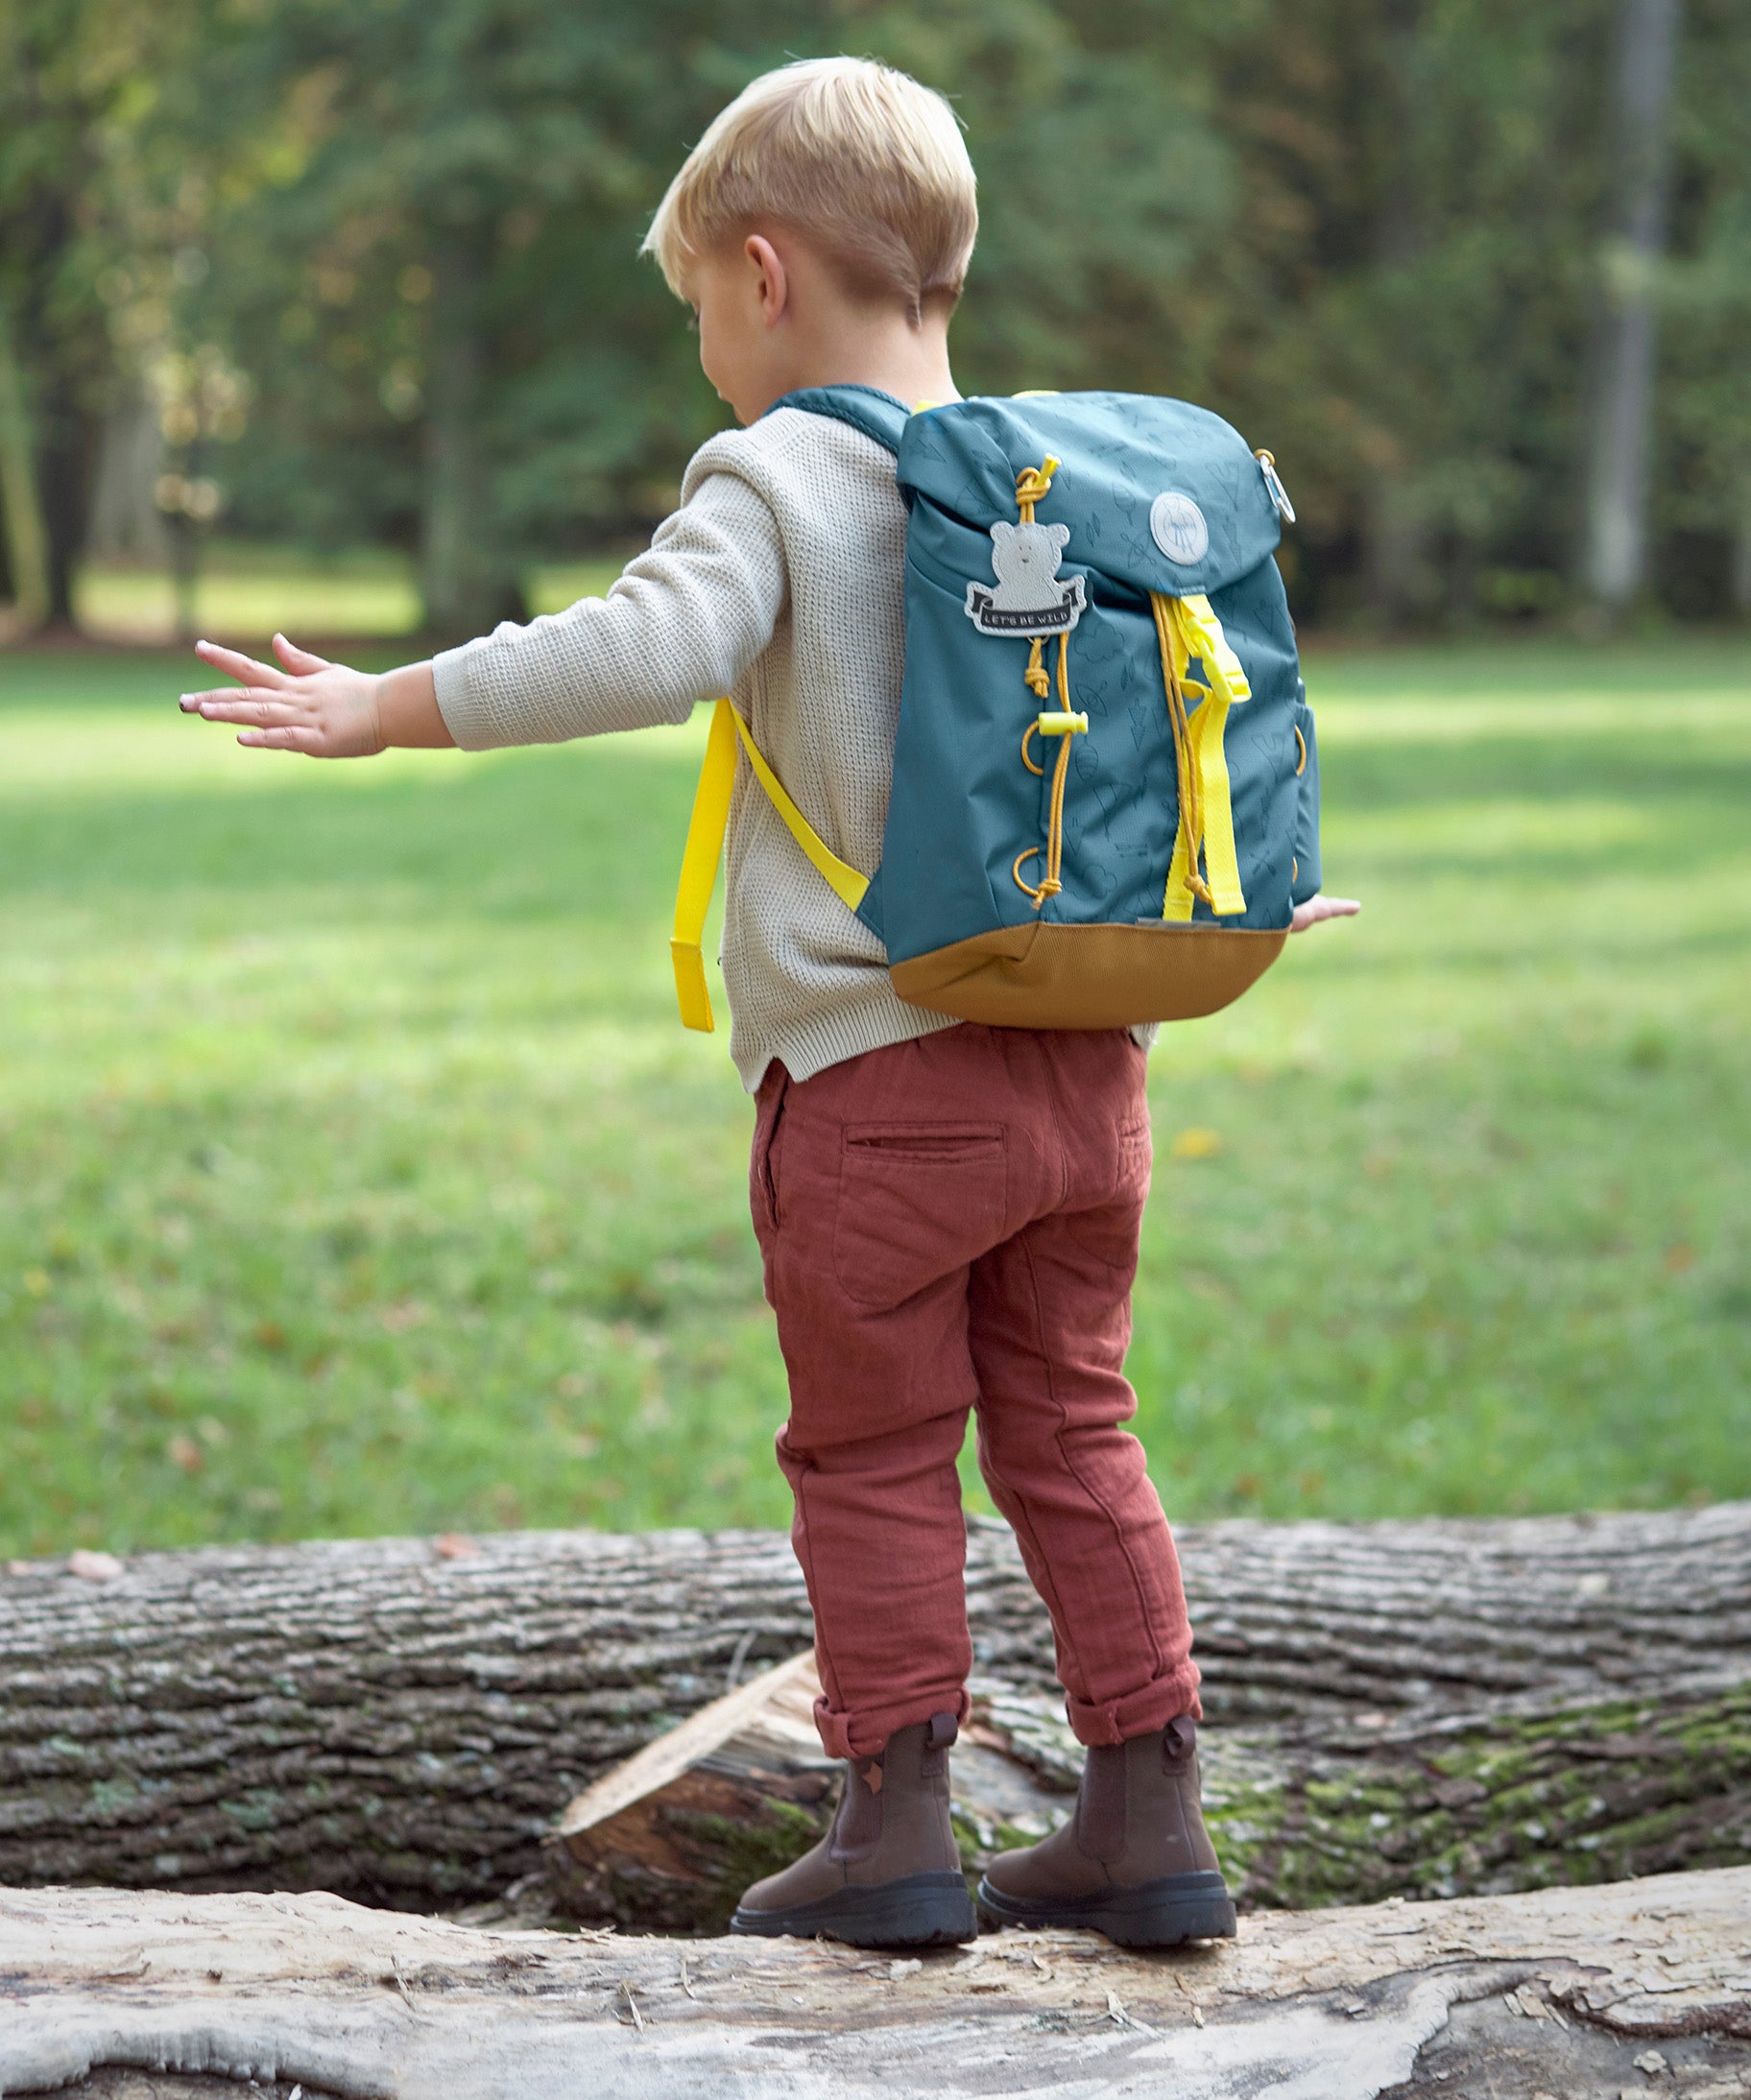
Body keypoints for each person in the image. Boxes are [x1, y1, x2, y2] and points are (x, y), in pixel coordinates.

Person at [180, 56, 1358, 1949]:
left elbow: (648, 642)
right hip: (1094, 1062)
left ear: (758, 273)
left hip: (886, 1084)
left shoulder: (789, 467)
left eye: (699, 325)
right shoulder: (1074, 483)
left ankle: (894, 1823)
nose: (708, 370)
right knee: (1076, 1425)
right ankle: (1149, 1809)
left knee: (877, 1450)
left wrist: (386, 702)